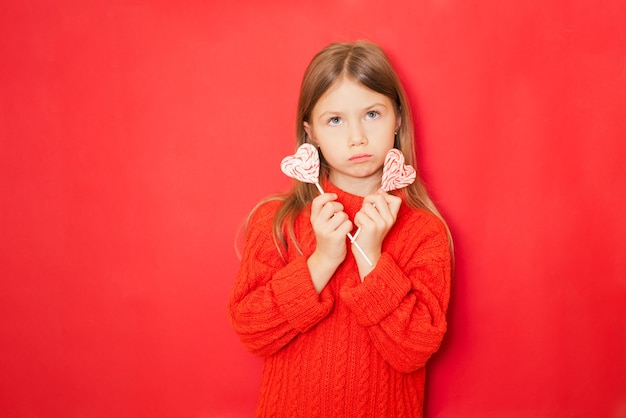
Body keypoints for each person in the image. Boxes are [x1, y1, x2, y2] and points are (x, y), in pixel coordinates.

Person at [228, 40, 453, 418]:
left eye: (372, 114)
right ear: (310, 133)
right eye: (335, 120)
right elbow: (252, 330)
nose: (356, 137)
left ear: (397, 118)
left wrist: (373, 260)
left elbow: (414, 348)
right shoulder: (277, 220)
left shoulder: (424, 231)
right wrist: (323, 260)